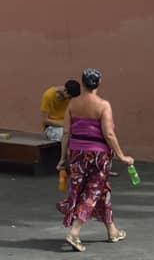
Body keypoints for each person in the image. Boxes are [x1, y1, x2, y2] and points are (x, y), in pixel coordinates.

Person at [56, 67, 132, 250]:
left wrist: (62, 158)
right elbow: (109, 134)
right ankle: (74, 233)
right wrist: (122, 155)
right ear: (99, 83)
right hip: (98, 155)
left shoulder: (72, 104)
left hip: (76, 153)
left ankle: (112, 230)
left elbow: (66, 132)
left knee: (99, 190)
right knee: (92, 192)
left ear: (82, 83)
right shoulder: (103, 105)